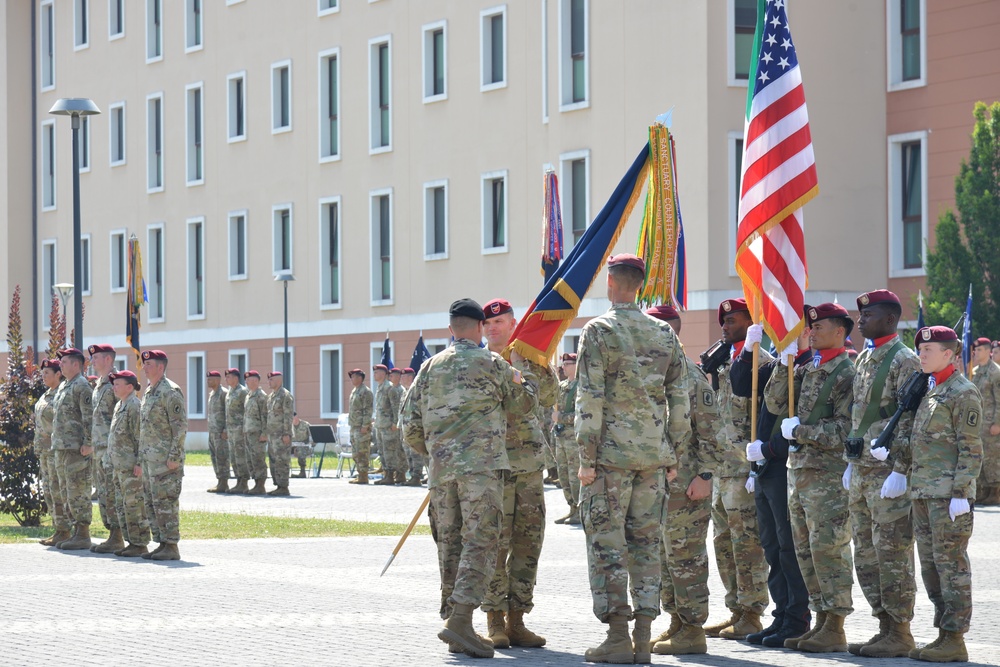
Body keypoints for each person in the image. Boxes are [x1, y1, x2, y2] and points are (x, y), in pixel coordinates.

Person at [400, 298, 537, 659]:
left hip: (442, 474)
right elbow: (523, 405)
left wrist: (438, 455)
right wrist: (525, 382)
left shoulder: (429, 367)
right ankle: (461, 620)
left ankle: (454, 619)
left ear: (450, 329)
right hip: (482, 471)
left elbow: (409, 427)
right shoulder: (492, 363)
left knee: (450, 545)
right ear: (479, 328)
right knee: (480, 544)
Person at [575, 254, 690, 664]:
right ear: (639, 285)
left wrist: (586, 458)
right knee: (645, 546)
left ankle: (619, 637)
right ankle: (643, 640)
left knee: (608, 547)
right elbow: (680, 397)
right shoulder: (663, 332)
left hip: (610, 460)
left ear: (610, 283)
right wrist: (673, 451)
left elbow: (590, 397)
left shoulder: (600, 330)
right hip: (653, 458)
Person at [764, 303, 856, 653]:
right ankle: (820, 619)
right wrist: (786, 360)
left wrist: (801, 431)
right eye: (810, 327)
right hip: (800, 472)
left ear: (839, 331)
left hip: (827, 476)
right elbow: (774, 402)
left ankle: (835, 623)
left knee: (828, 549)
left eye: (819, 328)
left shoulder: (847, 372)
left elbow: (845, 429)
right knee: (806, 552)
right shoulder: (808, 367)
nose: (812, 332)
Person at [844, 290, 921, 657]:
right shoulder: (864, 357)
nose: (860, 322)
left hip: (888, 472)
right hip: (862, 471)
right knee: (866, 553)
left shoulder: (905, 360)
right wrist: (849, 460)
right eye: (860, 316)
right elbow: (859, 413)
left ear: (890, 319)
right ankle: (884, 626)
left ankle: (901, 630)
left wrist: (902, 469)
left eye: (868, 315)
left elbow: (909, 418)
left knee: (893, 553)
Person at [480, 297, 558, 650]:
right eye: (488, 324)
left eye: (501, 322)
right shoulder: (476, 362)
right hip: (492, 466)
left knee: (529, 542)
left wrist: (533, 365)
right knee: (495, 542)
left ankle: (518, 619)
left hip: (527, 465)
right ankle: (494, 618)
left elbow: (550, 396)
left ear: (514, 325)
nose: (494, 328)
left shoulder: (530, 358)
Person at [644, 305, 720, 656]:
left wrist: (705, 475)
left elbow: (711, 433)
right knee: (663, 556)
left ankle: (692, 629)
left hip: (687, 483)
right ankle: (676, 620)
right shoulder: (649, 374)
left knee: (686, 557)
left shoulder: (691, 376)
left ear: (670, 333)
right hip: (656, 486)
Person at [906, 326, 982, 662]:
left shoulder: (963, 392)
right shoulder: (930, 387)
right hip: (924, 491)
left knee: (951, 566)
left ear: (949, 354)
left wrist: (961, 492)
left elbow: (971, 448)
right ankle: (942, 633)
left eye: (928, 350)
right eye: (920, 350)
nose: (921, 355)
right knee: (931, 567)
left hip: (949, 495)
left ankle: (955, 638)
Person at [738, 323, 813, 648]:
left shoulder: (810, 369)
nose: (784, 338)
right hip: (767, 468)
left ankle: (796, 618)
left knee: (788, 547)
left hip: (787, 468)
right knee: (771, 546)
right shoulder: (779, 367)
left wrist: (768, 451)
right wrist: (747, 351)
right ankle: (781, 614)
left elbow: (803, 424)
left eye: (791, 332)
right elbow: (744, 386)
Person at [705, 298, 770, 640]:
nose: (726, 326)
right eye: (724, 321)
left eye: (733, 320)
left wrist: (757, 466)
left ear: (751, 321)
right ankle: (735, 609)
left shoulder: (762, 363)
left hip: (744, 469)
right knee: (724, 543)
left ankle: (752, 611)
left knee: (747, 543)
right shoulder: (724, 363)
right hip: (721, 468)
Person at [138, 350, 187, 561]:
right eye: (144, 364)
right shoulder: (149, 391)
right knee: (152, 502)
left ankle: (171, 545)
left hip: (166, 461)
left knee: (166, 502)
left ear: (161, 367)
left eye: (149, 364)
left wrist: (174, 456)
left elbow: (180, 427)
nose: (145, 367)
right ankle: (161, 543)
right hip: (150, 459)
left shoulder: (170, 391)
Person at [51, 347, 94, 551]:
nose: (60, 364)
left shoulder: (82, 386)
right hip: (62, 447)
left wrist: (88, 442)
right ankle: (74, 531)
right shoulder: (65, 386)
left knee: (78, 490)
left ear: (76, 364)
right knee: (66, 490)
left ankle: (83, 534)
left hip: (77, 448)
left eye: (65, 361)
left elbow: (89, 416)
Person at [107, 370, 150, 557]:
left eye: (118, 384)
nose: (114, 387)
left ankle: (139, 543)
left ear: (130, 387)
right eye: (114, 384)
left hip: (130, 466)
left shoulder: (134, 406)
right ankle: (130, 541)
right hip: (119, 466)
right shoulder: (120, 405)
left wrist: (140, 463)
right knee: (122, 505)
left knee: (134, 506)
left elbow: (141, 437)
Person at [88, 344, 124, 554]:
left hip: (112, 448)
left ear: (108, 360)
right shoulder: (100, 384)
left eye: (97, 358)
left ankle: (118, 536)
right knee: (103, 492)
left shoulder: (116, 383)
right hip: (98, 448)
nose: (92, 361)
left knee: (113, 492)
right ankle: (112, 534)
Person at [36, 359, 70, 546]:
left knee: (58, 490)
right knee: (49, 491)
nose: (43, 376)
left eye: (47, 373)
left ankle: (65, 530)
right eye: (43, 373)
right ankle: (58, 529)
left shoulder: (62, 395)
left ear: (58, 374)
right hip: (44, 450)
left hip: (56, 450)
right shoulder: (46, 395)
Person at [970, 337, 1000, 505]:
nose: (976, 352)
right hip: (978, 423)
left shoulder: (995, 372)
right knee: (980, 456)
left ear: (988, 351)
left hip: (991, 423)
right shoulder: (975, 371)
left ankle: (995, 492)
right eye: (976, 349)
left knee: (993, 457)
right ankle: (984, 490)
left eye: (980, 349)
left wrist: (998, 423)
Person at [553, 352, 580, 525]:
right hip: (561, 437)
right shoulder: (562, 386)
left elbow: (582, 414)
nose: (564, 367)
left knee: (574, 476)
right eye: (564, 364)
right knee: (563, 476)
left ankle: (579, 509)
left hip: (574, 439)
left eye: (568, 364)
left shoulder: (581, 387)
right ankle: (571, 508)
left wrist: (561, 418)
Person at [375, 367, 406, 485]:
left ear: (383, 374)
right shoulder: (380, 387)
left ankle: (391, 474)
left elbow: (395, 407)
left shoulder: (389, 388)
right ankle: (387, 473)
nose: (374, 375)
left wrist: (395, 422)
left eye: (376, 373)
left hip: (388, 425)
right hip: (380, 424)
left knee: (390, 451)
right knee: (382, 451)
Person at [265, 370, 294, 496]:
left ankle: (283, 486)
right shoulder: (271, 396)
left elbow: (288, 416)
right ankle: (278, 485)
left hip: (281, 435)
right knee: (273, 460)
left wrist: (286, 433)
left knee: (282, 460)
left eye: (271, 379)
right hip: (272, 434)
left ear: (278, 380)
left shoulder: (285, 395)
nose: (269, 382)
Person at [223, 368, 251, 494]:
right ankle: (239, 481)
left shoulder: (242, 392)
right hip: (231, 430)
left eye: (228, 377)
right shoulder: (230, 392)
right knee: (233, 457)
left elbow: (247, 411)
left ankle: (244, 482)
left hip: (240, 430)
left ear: (235, 378)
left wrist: (245, 428)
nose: (226, 379)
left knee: (241, 456)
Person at [243, 370, 268, 496]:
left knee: (258, 458)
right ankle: (256, 483)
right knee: (251, 459)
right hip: (249, 432)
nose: (251, 382)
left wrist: (264, 433)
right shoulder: (248, 395)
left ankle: (260, 485)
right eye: (248, 380)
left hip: (258, 433)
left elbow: (265, 416)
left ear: (258, 381)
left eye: (254, 380)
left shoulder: (261, 396)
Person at [347, 369, 374, 485]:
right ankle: (360, 474)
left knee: (362, 451)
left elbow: (368, 410)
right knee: (355, 452)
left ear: (360, 378)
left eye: (353, 377)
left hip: (361, 427)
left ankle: (364, 476)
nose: (352, 379)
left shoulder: (365, 392)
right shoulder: (354, 391)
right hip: (354, 426)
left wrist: (365, 425)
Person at [399, 368, 425, 486]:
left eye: (404, 377)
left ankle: (417, 476)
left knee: (416, 454)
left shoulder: (415, 390)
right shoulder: (405, 391)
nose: (401, 379)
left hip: (414, 427)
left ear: (410, 377)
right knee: (408, 453)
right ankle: (413, 475)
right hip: (406, 427)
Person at [206, 370, 230, 493]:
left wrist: (226, 429)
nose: (208, 381)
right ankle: (219, 480)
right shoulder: (212, 394)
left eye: (210, 379)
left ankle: (224, 482)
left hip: (221, 433)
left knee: (222, 457)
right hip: (212, 432)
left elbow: (228, 413)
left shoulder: (224, 394)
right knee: (214, 457)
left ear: (217, 380)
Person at [291, 413, 312, 479]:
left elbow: (313, 436)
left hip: (304, 447)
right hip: (291, 446)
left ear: (296, 416)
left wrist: (310, 444)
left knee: (300, 450)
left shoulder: (305, 425)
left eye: (292, 417)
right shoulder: (288, 425)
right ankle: (282, 472)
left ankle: (302, 472)